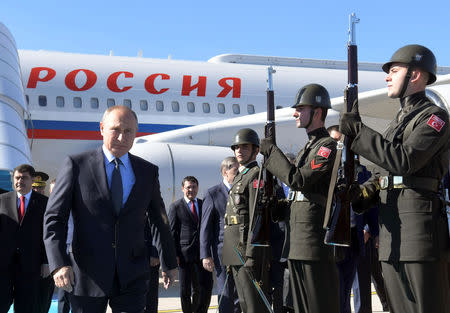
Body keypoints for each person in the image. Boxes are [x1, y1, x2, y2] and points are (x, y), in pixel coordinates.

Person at [340, 44, 450, 313]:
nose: (387, 76)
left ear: (415, 75)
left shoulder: (435, 118)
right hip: (392, 236)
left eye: (394, 70)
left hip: (419, 234)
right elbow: (381, 177)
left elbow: (404, 161)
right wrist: (358, 195)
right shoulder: (396, 123)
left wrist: (359, 131)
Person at [44, 105, 177, 313]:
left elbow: (159, 220)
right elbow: (54, 218)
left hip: (132, 274)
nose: (122, 137)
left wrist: (168, 262)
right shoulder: (77, 166)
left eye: (128, 131)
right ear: (102, 128)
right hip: (87, 275)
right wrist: (58, 263)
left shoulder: (147, 172)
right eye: (116, 129)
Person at [259, 84, 339, 313]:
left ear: (317, 112)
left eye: (300, 108)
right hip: (297, 241)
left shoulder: (326, 147)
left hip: (312, 242)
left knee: (317, 306)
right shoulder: (309, 147)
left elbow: (299, 180)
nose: (295, 113)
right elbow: (298, 193)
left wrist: (273, 153)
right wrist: (278, 205)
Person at [222, 128, 271, 313]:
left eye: (245, 146)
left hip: (246, 251)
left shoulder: (255, 175)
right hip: (235, 249)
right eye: (236, 147)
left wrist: (251, 254)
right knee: (243, 302)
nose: (239, 151)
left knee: (253, 304)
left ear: (256, 150)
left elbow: (256, 218)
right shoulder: (240, 177)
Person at [0, 164, 50, 313]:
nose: (20, 181)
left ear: (32, 179)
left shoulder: (44, 203)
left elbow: (48, 235)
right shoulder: (2, 200)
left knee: (26, 307)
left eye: (24, 178)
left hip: (30, 266)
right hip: (3, 266)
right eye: (17, 178)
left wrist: (46, 261)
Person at [327, 126, 365, 313]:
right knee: (336, 289)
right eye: (334, 141)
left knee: (347, 288)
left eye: (342, 141)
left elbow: (368, 205)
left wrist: (369, 229)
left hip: (353, 237)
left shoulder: (357, 170)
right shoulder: (325, 172)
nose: (339, 145)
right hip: (332, 237)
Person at [200, 156, 241, 313]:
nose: (239, 175)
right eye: (236, 171)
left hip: (241, 249)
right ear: (225, 172)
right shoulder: (213, 193)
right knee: (226, 291)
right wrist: (205, 255)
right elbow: (205, 227)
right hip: (222, 250)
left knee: (238, 292)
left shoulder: (242, 190)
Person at [168, 176, 213, 313]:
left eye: (194, 187)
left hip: (202, 254)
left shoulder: (203, 204)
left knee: (202, 288)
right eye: (188, 187)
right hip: (184, 256)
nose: (191, 190)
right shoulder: (175, 207)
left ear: (197, 188)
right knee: (185, 290)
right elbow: (172, 233)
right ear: (183, 189)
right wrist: (174, 254)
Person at [31, 171, 55, 313]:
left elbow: (51, 236)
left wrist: (47, 261)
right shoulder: (22, 205)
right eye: (34, 187)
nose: (37, 190)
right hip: (27, 262)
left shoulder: (50, 206)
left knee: (44, 298)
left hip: (46, 262)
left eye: (40, 188)